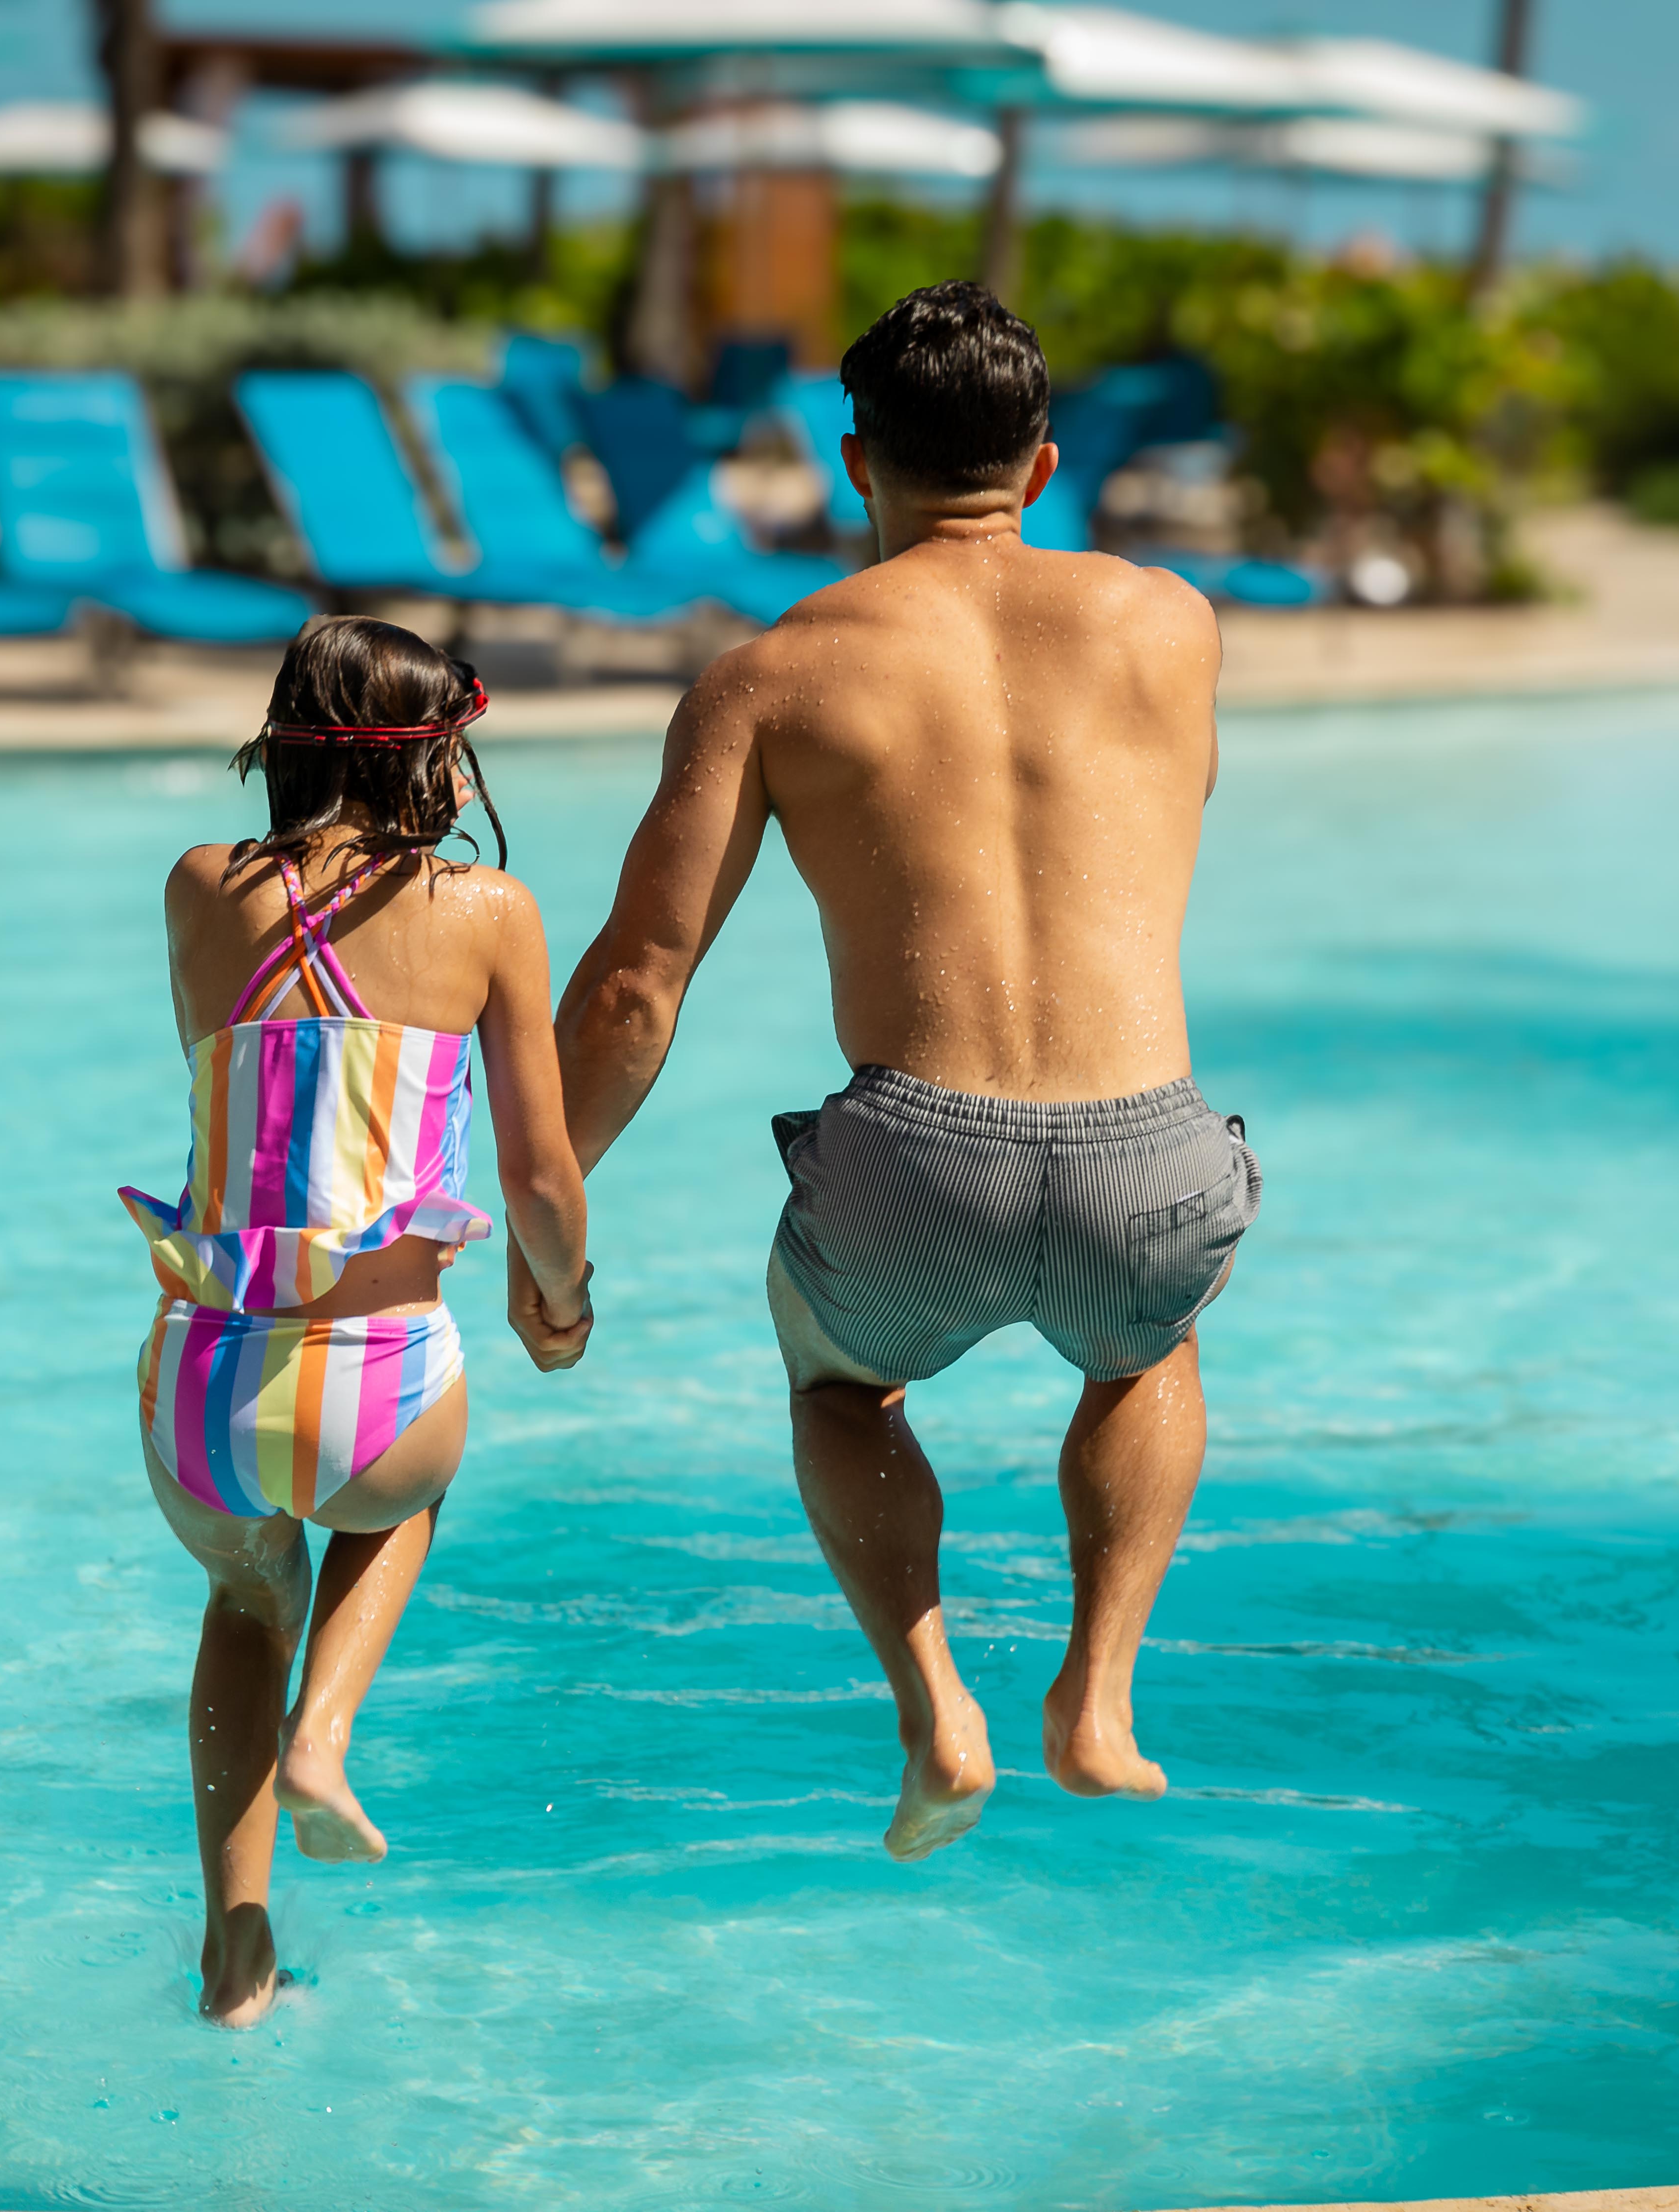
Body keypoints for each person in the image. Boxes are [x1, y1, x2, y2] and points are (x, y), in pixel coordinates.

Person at [533, 282, 1257, 1864]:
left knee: (838, 1382)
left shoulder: (769, 676)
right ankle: (1103, 1695)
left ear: (855, 461)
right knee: (1149, 1352)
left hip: (914, 1162)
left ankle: (935, 1705)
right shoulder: (1172, 625)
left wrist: (548, 1205)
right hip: (1147, 1147)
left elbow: (637, 990)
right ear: (1048, 464)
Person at [123, 617, 593, 2027]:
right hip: (377, 1388)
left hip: (203, 1386)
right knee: (396, 1504)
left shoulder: (199, 889)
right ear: (431, 755)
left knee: (242, 1601)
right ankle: (328, 1738)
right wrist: (558, 1306)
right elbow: (537, 1175)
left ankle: (235, 1951)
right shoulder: (485, 913)